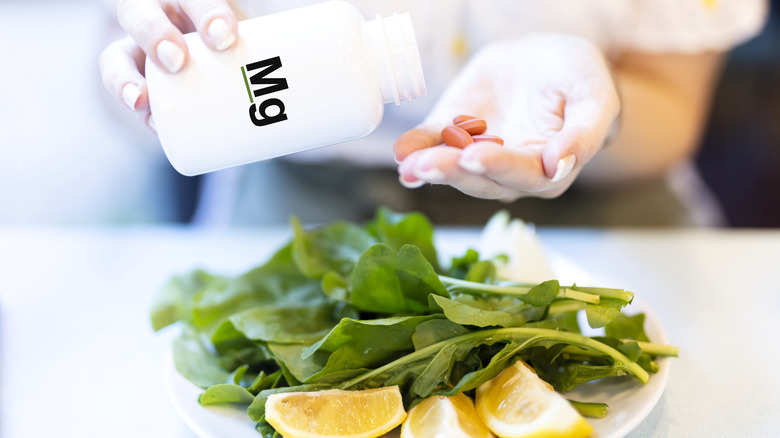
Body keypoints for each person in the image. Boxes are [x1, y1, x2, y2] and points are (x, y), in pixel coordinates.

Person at [99, 0, 767, 227]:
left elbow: (672, 107)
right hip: (301, 196)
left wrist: (599, 110)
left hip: (602, 198)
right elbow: (119, 74)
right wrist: (144, 86)